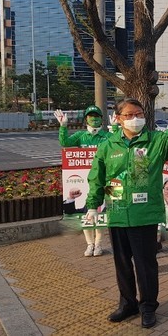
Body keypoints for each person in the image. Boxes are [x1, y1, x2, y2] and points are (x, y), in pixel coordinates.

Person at [85, 98, 168, 328]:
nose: (134, 119)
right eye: (128, 115)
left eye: (138, 114)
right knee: (122, 263)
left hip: (145, 214)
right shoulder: (108, 146)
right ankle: (128, 304)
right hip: (118, 212)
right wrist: (92, 204)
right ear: (118, 119)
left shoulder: (156, 141)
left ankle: (148, 306)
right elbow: (97, 177)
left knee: (145, 264)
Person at [55, 105, 112, 257]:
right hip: (86, 183)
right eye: (91, 116)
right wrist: (63, 126)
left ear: (101, 118)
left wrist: (117, 129)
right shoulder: (81, 136)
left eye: (97, 116)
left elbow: (119, 146)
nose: (94, 118)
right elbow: (65, 143)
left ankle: (99, 244)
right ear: (86, 119)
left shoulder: (107, 136)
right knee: (86, 214)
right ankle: (89, 244)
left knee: (100, 214)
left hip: (104, 181)